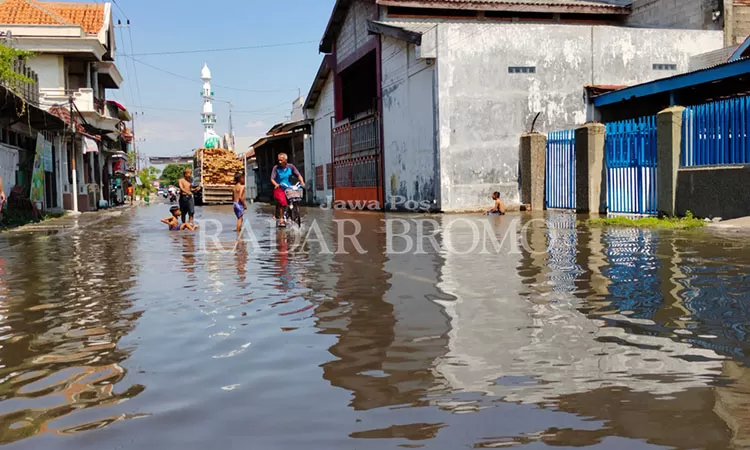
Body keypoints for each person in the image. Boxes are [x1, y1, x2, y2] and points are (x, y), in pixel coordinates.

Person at [270, 153, 305, 227]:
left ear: (286, 160)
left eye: (281, 160)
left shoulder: (291, 167)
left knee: (294, 198)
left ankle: (293, 213)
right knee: (282, 202)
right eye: (278, 160)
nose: (279, 162)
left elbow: (298, 175)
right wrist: (276, 184)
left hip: (288, 187)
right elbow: (272, 179)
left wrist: (302, 182)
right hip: (279, 187)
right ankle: (281, 219)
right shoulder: (276, 168)